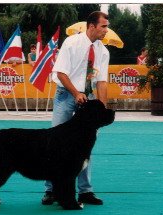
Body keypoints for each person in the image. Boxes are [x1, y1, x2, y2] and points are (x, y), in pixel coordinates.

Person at [41, 11, 110, 206]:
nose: (106, 30)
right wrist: (75, 93)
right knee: (54, 143)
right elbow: (61, 73)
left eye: (107, 26)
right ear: (91, 26)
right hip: (66, 94)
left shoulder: (103, 51)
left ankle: (85, 192)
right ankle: (51, 190)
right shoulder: (71, 43)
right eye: (103, 26)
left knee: (85, 145)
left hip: (87, 99)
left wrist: (102, 110)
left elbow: (102, 82)